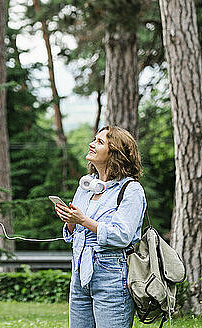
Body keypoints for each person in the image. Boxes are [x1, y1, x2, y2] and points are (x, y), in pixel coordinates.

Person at [55, 124, 147, 328]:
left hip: (112, 275)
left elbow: (122, 236)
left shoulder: (131, 190)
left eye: (100, 142)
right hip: (80, 274)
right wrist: (70, 221)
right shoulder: (86, 186)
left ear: (115, 152)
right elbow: (77, 232)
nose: (91, 144)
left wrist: (83, 220)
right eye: (94, 139)